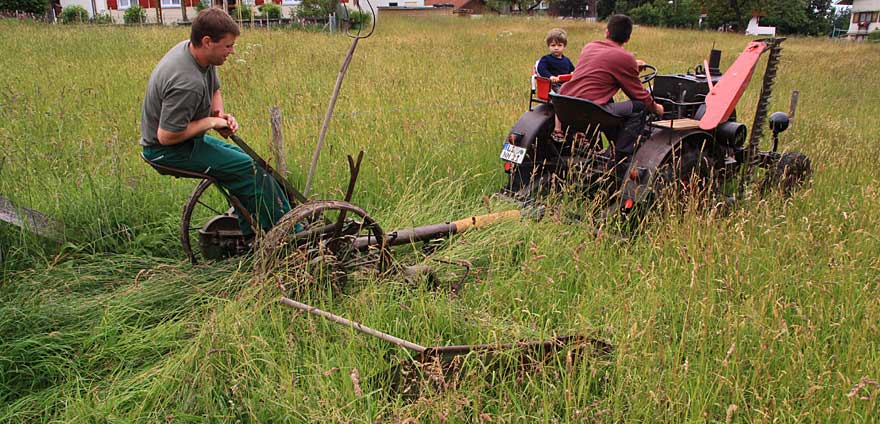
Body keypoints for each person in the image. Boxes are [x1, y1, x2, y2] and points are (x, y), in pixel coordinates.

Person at [140, 9, 290, 237]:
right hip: (166, 151)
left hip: (185, 142)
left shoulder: (195, 53)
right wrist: (211, 121)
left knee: (250, 164)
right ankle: (287, 238)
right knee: (248, 170)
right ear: (207, 41)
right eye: (228, 46)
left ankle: (256, 232)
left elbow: (214, 89)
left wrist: (219, 113)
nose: (232, 51)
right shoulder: (186, 82)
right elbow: (166, 136)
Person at [553, 14, 664, 171]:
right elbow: (639, 95)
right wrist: (657, 108)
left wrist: (632, 64)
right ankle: (622, 156)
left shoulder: (589, 47)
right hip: (591, 110)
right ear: (628, 38)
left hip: (565, 105)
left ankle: (612, 145)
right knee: (639, 106)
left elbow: (605, 64)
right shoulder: (625, 58)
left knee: (609, 100)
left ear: (607, 33)